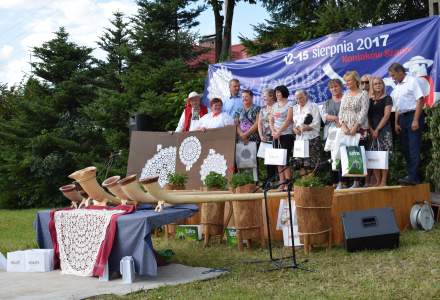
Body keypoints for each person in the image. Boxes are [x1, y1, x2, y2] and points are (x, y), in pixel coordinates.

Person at [389, 63, 425, 185]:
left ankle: (413, 177)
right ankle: (412, 175)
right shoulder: (398, 86)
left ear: (400, 72)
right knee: (405, 149)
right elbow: (398, 107)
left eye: (393, 75)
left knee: (413, 147)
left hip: (413, 116)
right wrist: (396, 123)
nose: (392, 78)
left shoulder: (412, 81)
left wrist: (415, 120)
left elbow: (420, 100)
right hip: (402, 118)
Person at [339, 70, 370, 188]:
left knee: (356, 155)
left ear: (356, 81)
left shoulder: (363, 94)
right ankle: (342, 182)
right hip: (346, 130)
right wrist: (343, 126)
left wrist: (355, 127)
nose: (347, 83)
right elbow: (341, 112)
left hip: (359, 129)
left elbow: (363, 112)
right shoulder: (345, 94)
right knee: (343, 154)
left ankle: (357, 181)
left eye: (349, 80)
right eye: (345, 81)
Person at [368, 77, 393, 186]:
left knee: (383, 156)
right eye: (375, 84)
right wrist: (371, 129)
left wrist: (377, 129)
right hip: (371, 130)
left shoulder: (387, 98)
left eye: (379, 83)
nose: (378, 85)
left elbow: (387, 115)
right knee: (373, 156)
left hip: (384, 130)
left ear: (383, 85)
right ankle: (377, 181)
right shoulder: (369, 100)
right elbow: (366, 117)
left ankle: (383, 181)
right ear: (372, 86)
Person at [269, 85, 293, 191]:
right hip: (275, 135)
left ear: (284, 92)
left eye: (279, 92)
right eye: (276, 93)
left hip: (286, 135)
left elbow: (289, 120)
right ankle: (281, 182)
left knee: (285, 160)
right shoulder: (274, 105)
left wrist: (279, 131)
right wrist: (273, 131)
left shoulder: (290, 104)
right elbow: (271, 119)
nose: (277, 94)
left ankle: (288, 183)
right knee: (278, 159)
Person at [292, 90, 321, 172]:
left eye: (301, 98)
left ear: (306, 96)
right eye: (297, 98)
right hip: (299, 139)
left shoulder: (313, 106)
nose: (299, 100)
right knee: (300, 162)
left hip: (311, 138)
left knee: (311, 163)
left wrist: (305, 128)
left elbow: (317, 122)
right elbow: (294, 123)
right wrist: (294, 129)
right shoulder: (295, 108)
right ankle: (302, 183)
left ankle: (310, 183)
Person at [321, 79, 343, 187]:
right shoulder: (327, 102)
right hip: (330, 134)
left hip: (343, 132)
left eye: (336, 86)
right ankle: (334, 181)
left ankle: (342, 181)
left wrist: (340, 121)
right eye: (331, 87)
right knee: (332, 158)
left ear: (340, 86)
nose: (334, 89)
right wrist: (335, 118)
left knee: (342, 156)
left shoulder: (346, 99)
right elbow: (324, 116)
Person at [258, 88, 277, 181]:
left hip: (276, 136)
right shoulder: (262, 109)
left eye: (265, 96)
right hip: (265, 137)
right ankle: (270, 180)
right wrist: (261, 136)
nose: (263, 98)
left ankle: (278, 180)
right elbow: (259, 123)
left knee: (276, 159)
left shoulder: (278, 107)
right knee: (268, 160)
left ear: (271, 96)